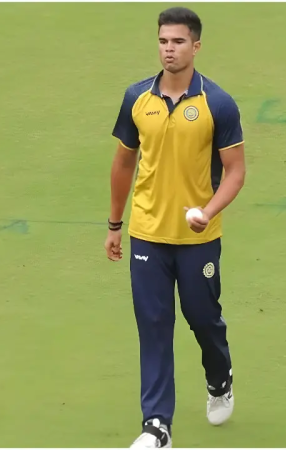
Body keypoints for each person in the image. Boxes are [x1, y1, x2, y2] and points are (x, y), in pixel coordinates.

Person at [103, 7, 246, 448]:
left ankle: (219, 378)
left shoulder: (217, 103)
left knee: (203, 318)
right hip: (147, 232)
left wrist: (208, 210)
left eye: (179, 41)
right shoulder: (136, 98)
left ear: (196, 46)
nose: (170, 49)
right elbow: (123, 163)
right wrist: (115, 224)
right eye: (164, 41)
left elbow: (235, 171)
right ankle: (157, 425)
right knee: (153, 324)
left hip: (198, 238)